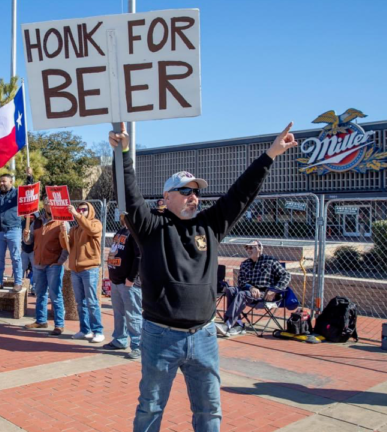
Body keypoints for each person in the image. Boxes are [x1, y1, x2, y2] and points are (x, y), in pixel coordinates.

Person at [110, 122, 299, 432]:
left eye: (196, 192)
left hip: (205, 337)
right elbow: (130, 198)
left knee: (209, 411)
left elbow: (241, 193)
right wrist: (123, 153)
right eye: (185, 191)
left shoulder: (211, 225)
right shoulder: (151, 227)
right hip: (161, 336)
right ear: (167, 196)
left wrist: (271, 154)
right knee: (150, 407)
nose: (193, 197)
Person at [216, 241, 291, 337]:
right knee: (230, 290)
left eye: (251, 247)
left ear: (259, 248)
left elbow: (286, 275)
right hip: (249, 291)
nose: (248, 250)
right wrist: (251, 288)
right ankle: (237, 324)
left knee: (242, 294)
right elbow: (241, 282)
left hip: (265, 293)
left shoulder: (270, 261)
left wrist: (275, 290)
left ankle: (228, 325)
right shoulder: (245, 264)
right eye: (247, 248)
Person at [23, 198, 68, 336]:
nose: (48, 205)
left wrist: (60, 261)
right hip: (38, 263)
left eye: (51, 202)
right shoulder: (37, 221)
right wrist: (26, 236)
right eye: (46, 202)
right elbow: (29, 241)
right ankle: (41, 320)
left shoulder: (62, 221)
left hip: (53, 264)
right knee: (40, 293)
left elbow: (67, 244)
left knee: (55, 294)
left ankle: (59, 324)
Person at [63, 201, 105, 343]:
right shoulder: (75, 229)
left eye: (84, 209)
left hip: (90, 269)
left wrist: (76, 214)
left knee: (92, 302)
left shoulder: (96, 223)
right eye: (79, 209)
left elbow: (91, 230)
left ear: (90, 211)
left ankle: (98, 331)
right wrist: (63, 233)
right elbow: (66, 245)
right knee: (80, 302)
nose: (81, 211)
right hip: (76, 270)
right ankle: (85, 329)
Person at [103, 210, 142, 359]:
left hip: (129, 283)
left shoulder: (135, 232)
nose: (123, 216)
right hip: (116, 280)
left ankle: (138, 345)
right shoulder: (121, 231)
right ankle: (120, 339)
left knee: (133, 315)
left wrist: (131, 278)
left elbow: (139, 257)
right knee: (119, 314)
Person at [0, 168, 33, 291]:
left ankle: (18, 282)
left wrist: (29, 177)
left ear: (11, 182)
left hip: (14, 230)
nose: (2, 183)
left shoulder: (17, 194)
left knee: (16, 257)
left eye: (4, 181)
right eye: (0, 181)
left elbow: (29, 192)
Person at [20, 212, 37, 294]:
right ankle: (20, 284)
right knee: (21, 267)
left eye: (31, 216)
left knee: (35, 269)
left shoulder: (36, 223)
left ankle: (34, 287)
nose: (30, 217)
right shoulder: (23, 223)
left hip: (34, 250)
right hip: (25, 250)